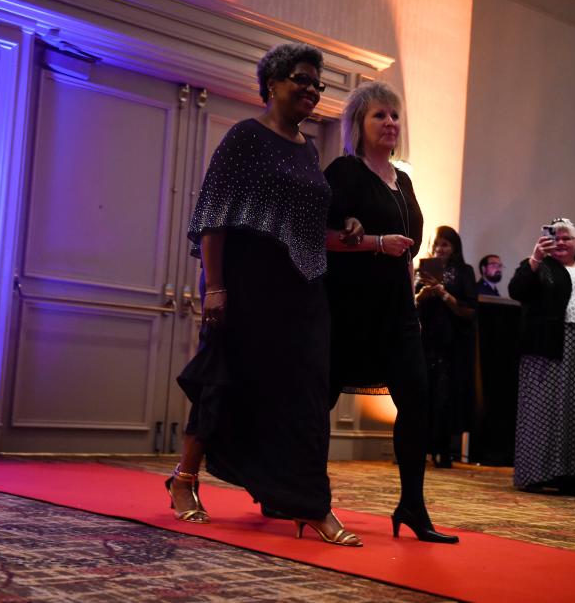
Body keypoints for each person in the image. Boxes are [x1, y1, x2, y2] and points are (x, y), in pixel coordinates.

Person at [168, 43, 362, 547]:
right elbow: (214, 215)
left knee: (305, 393)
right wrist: (215, 287)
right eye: (302, 79)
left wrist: (347, 227)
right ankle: (184, 479)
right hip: (250, 282)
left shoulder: (307, 150)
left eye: (318, 85)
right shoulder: (245, 139)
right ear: (272, 82)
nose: (312, 90)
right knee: (224, 380)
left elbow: (306, 225)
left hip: (302, 288)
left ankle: (305, 501)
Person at [325, 81, 458, 543]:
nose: (390, 123)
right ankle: (308, 496)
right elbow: (321, 236)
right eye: (380, 115)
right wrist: (372, 242)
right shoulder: (343, 171)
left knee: (416, 402)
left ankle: (412, 506)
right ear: (358, 125)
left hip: (397, 312)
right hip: (348, 307)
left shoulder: (404, 181)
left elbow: (408, 253)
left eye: (394, 116)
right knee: (318, 400)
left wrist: (412, 305)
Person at [508, 218, 575, 495]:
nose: (562, 242)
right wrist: (534, 259)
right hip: (545, 347)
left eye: (567, 238)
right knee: (543, 410)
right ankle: (537, 474)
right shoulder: (537, 266)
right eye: (556, 237)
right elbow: (516, 291)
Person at [415, 226, 478, 468]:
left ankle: (443, 450)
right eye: (437, 244)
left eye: (445, 245)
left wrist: (442, 292)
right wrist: (422, 291)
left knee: (446, 396)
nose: (440, 249)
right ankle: (422, 447)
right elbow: (414, 304)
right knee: (425, 393)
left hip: (452, 343)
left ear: (454, 248)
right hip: (427, 340)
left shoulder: (464, 271)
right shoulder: (424, 270)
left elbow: (469, 309)